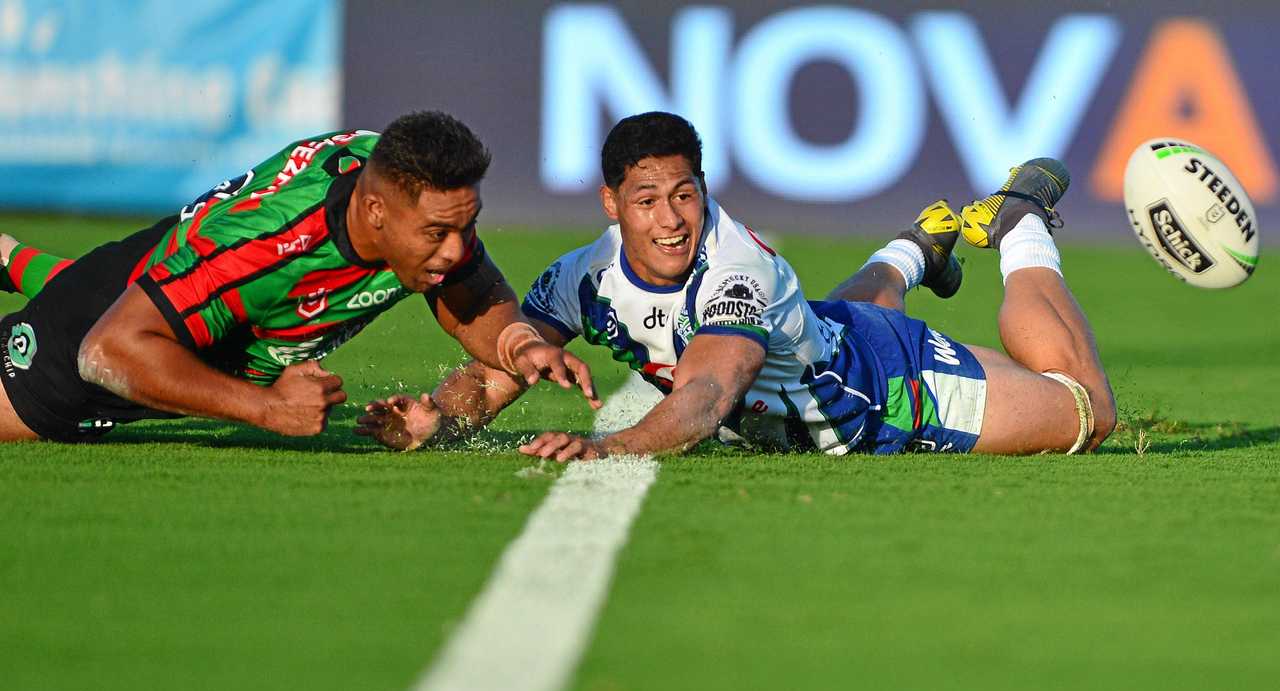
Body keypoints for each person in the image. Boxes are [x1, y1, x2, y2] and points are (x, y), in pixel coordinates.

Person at [356, 111, 1116, 459]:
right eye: (647, 201)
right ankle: (919, 243)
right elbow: (498, 375)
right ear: (611, 206)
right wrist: (439, 419)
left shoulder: (735, 271)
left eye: (685, 194)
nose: (671, 221)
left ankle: (1019, 220)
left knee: (1086, 409)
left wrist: (611, 446)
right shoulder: (582, 278)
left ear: (703, 188)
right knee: (820, 327)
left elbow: (708, 395)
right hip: (822, 338)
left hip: (890, 389)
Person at [0, 111, 597, 443]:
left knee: (120, 280)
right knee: (84, 320)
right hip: (68, 357)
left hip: (157, 281)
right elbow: (107, 349)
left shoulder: (402, 190)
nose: (457, 249)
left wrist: (518, 343)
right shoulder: (268, 250)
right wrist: (267, 409)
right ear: (375, 213)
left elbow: (470, 290)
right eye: (439, 233)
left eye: (467, 227)